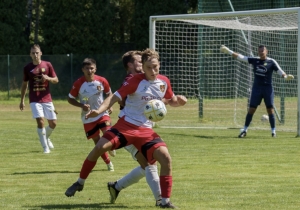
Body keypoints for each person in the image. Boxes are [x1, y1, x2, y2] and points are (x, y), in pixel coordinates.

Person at [65, 48, 187, 209]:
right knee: (99, 148)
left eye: (155, 66)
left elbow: (170, 99)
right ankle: (80, 182)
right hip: (126, 125)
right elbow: (114, 97)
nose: (153, 70)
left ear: (160, 65)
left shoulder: (164, 81)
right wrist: (99, 110)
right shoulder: (134, 81)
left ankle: (164, 202)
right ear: (143, 67)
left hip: (146, 131)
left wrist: (179, 101)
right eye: (149, 67)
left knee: (165, 159)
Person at [108, 50, 162, 206]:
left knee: (148, 164)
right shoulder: (131, 79)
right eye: (139, 61)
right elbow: (121, 100)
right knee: (150, 164)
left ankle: (116, 186)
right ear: (130, 65)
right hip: (128, 129)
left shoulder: (144, 80)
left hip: (143, 129)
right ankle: (160, 200)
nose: (142, 63)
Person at [220, 45, 294, 138]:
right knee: (251, 109)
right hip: (257, 89)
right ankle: (244, 130)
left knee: (270, 110)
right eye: (259, 51)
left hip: (268, 89)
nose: (261, 52)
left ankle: (273, 132)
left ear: (267, 51)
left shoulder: (271, 61)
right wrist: (229, 51)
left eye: (263, 51)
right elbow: (241, 57)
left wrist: (286, 77)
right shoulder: (255, 60)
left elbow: (280, 71)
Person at [68, 58, 115, 171]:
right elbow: (70, 99)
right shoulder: (78, 83)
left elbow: (109, 94)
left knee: (108, 132)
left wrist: (110, 105)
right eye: (87, 68)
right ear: (83, 70)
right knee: (98, 143)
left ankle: (111, 146)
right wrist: (81, 106)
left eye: (91, 68)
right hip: (88, 117)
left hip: (101, 112)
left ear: (95, 69)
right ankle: (108, 163)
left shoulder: (102, 80)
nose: (89, 70)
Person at [19, 44, 59, 154]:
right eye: (33, 53)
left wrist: (48, 78)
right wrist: (22, 100)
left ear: (41, 53)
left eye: (37, 52)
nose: (35, 55)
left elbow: (56, 80)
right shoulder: (27, 68)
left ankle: (46, 137)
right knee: (40, 121)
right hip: (34, 99)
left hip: (47, 98)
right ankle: (45, 147)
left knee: (53, 123)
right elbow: (24, 85)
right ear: (30, 55)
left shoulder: (48, 65)